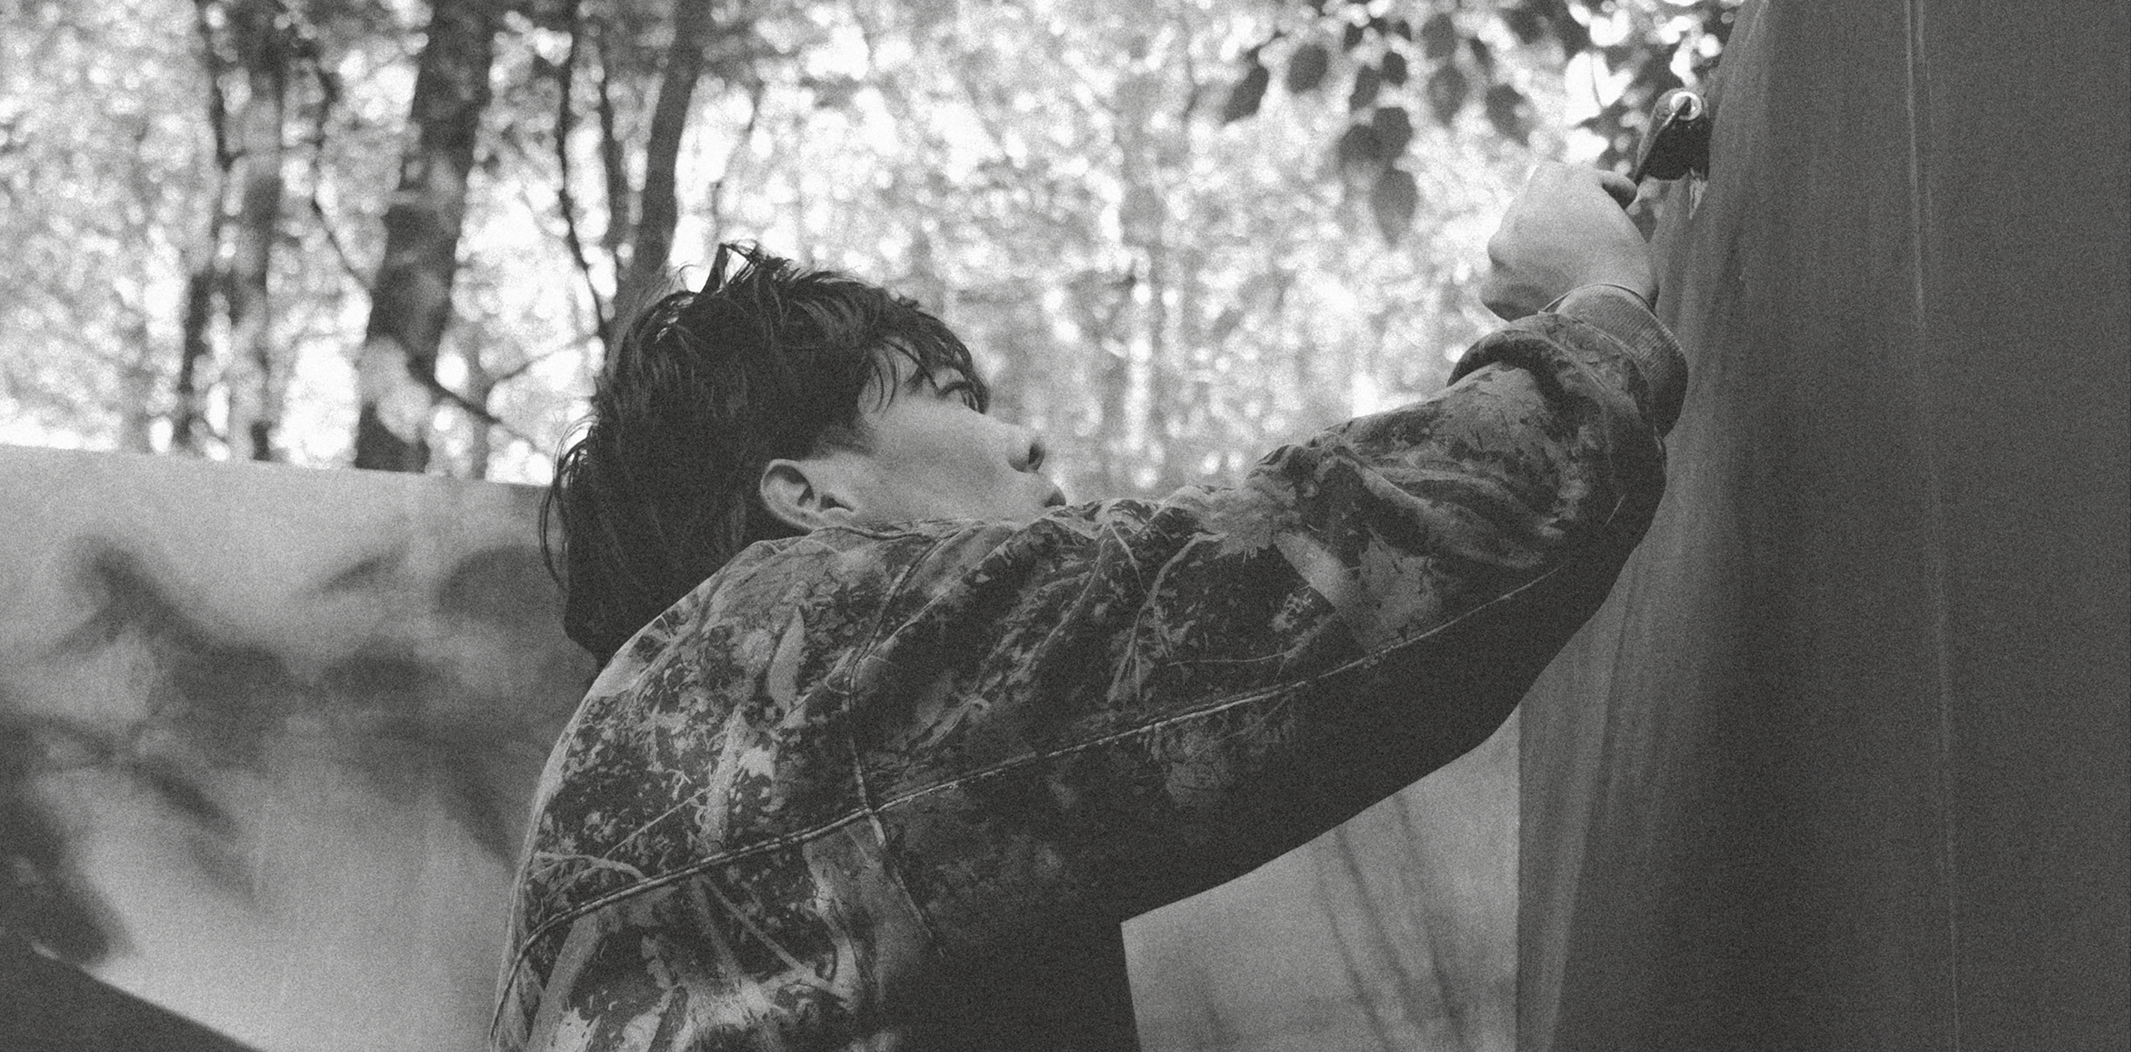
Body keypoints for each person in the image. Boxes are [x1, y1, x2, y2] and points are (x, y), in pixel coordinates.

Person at [492, 163, 1684, 1052]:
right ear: (812, 495)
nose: (1022, 435)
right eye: (949, 396)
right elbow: (1343, 573)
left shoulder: (657, 742)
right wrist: (1588, 301)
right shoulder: (815, 637)